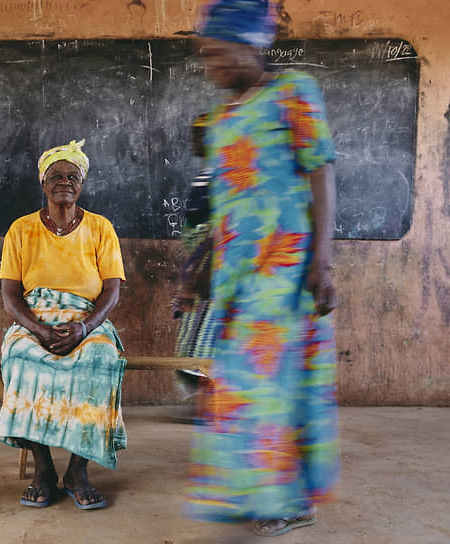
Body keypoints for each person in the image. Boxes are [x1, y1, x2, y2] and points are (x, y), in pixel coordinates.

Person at [186, 0, 340, 538]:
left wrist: (322, 261)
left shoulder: (294, 92)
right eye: (205, 57)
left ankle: (283, 498)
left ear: (252, 45)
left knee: (265, 384)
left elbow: (320, 174)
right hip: (238, 277)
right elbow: (229, 203)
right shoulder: (224, 117)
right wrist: (207, 266)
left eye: (218, 54)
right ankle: (260, 493)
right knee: (244, 383)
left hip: (285, 269)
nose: (212, 67)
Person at [0, 139, 127, 510]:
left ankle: (78, 471)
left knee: (101, 359)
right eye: (56, 175)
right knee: (20, 356)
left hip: (86, 318)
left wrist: (84, 329)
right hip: (35, 318)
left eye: (73, 176)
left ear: (82, 184)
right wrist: (38, 329)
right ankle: (43, 470)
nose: (64, 181)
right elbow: (11, 295)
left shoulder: (101, 228)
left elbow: (112, 291)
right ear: (43, 183)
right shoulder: (21, 229)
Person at [171, 114, 215, 422]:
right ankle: (207, 404)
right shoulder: (209, 172)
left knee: (210, 337)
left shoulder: (225, 175)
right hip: (204, 264)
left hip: (214, 267)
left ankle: (213, 406)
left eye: (200, 135)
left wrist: (194, 274)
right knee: (199, 334)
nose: (194, 142)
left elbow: (217, 230)